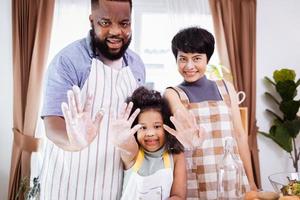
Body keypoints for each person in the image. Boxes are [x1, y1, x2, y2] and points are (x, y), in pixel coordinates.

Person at [39, 0, 145, 199]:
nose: (115, 32)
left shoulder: (137, 66)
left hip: (112, 186)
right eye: (105, 23)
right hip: (66, 187)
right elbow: (52, 124)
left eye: (124, 23)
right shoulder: (69, 60)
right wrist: (73, 141)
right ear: (92, 20)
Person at [163, 26, 257, 199]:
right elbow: (179, 114)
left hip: (232, 176)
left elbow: (240, 135)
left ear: (207, 59)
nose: (189, 66)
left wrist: (251, 182)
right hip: (195, 178)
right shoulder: (172, 93)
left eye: (196, 58)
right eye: (182, 59)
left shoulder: (226, 88)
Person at [109, 86, 186, 199]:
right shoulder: (134, 154)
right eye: (143, 127)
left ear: (167, 126)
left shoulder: (176, 156)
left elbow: (178, 196)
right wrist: (122, 140)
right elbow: (127, 146)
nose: (150, 133)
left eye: (157, 126)